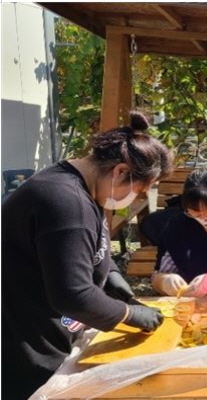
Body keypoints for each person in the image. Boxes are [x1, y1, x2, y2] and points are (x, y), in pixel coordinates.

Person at [1, 112, 174, 400]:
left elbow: (86, 249)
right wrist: (129, 314)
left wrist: (113, 279)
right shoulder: (68, 204)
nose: (138, 199)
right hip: (27, 345)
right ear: (120, 172)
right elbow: (72, 295)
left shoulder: (77, 186)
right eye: (140, 191)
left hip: (49, 330)